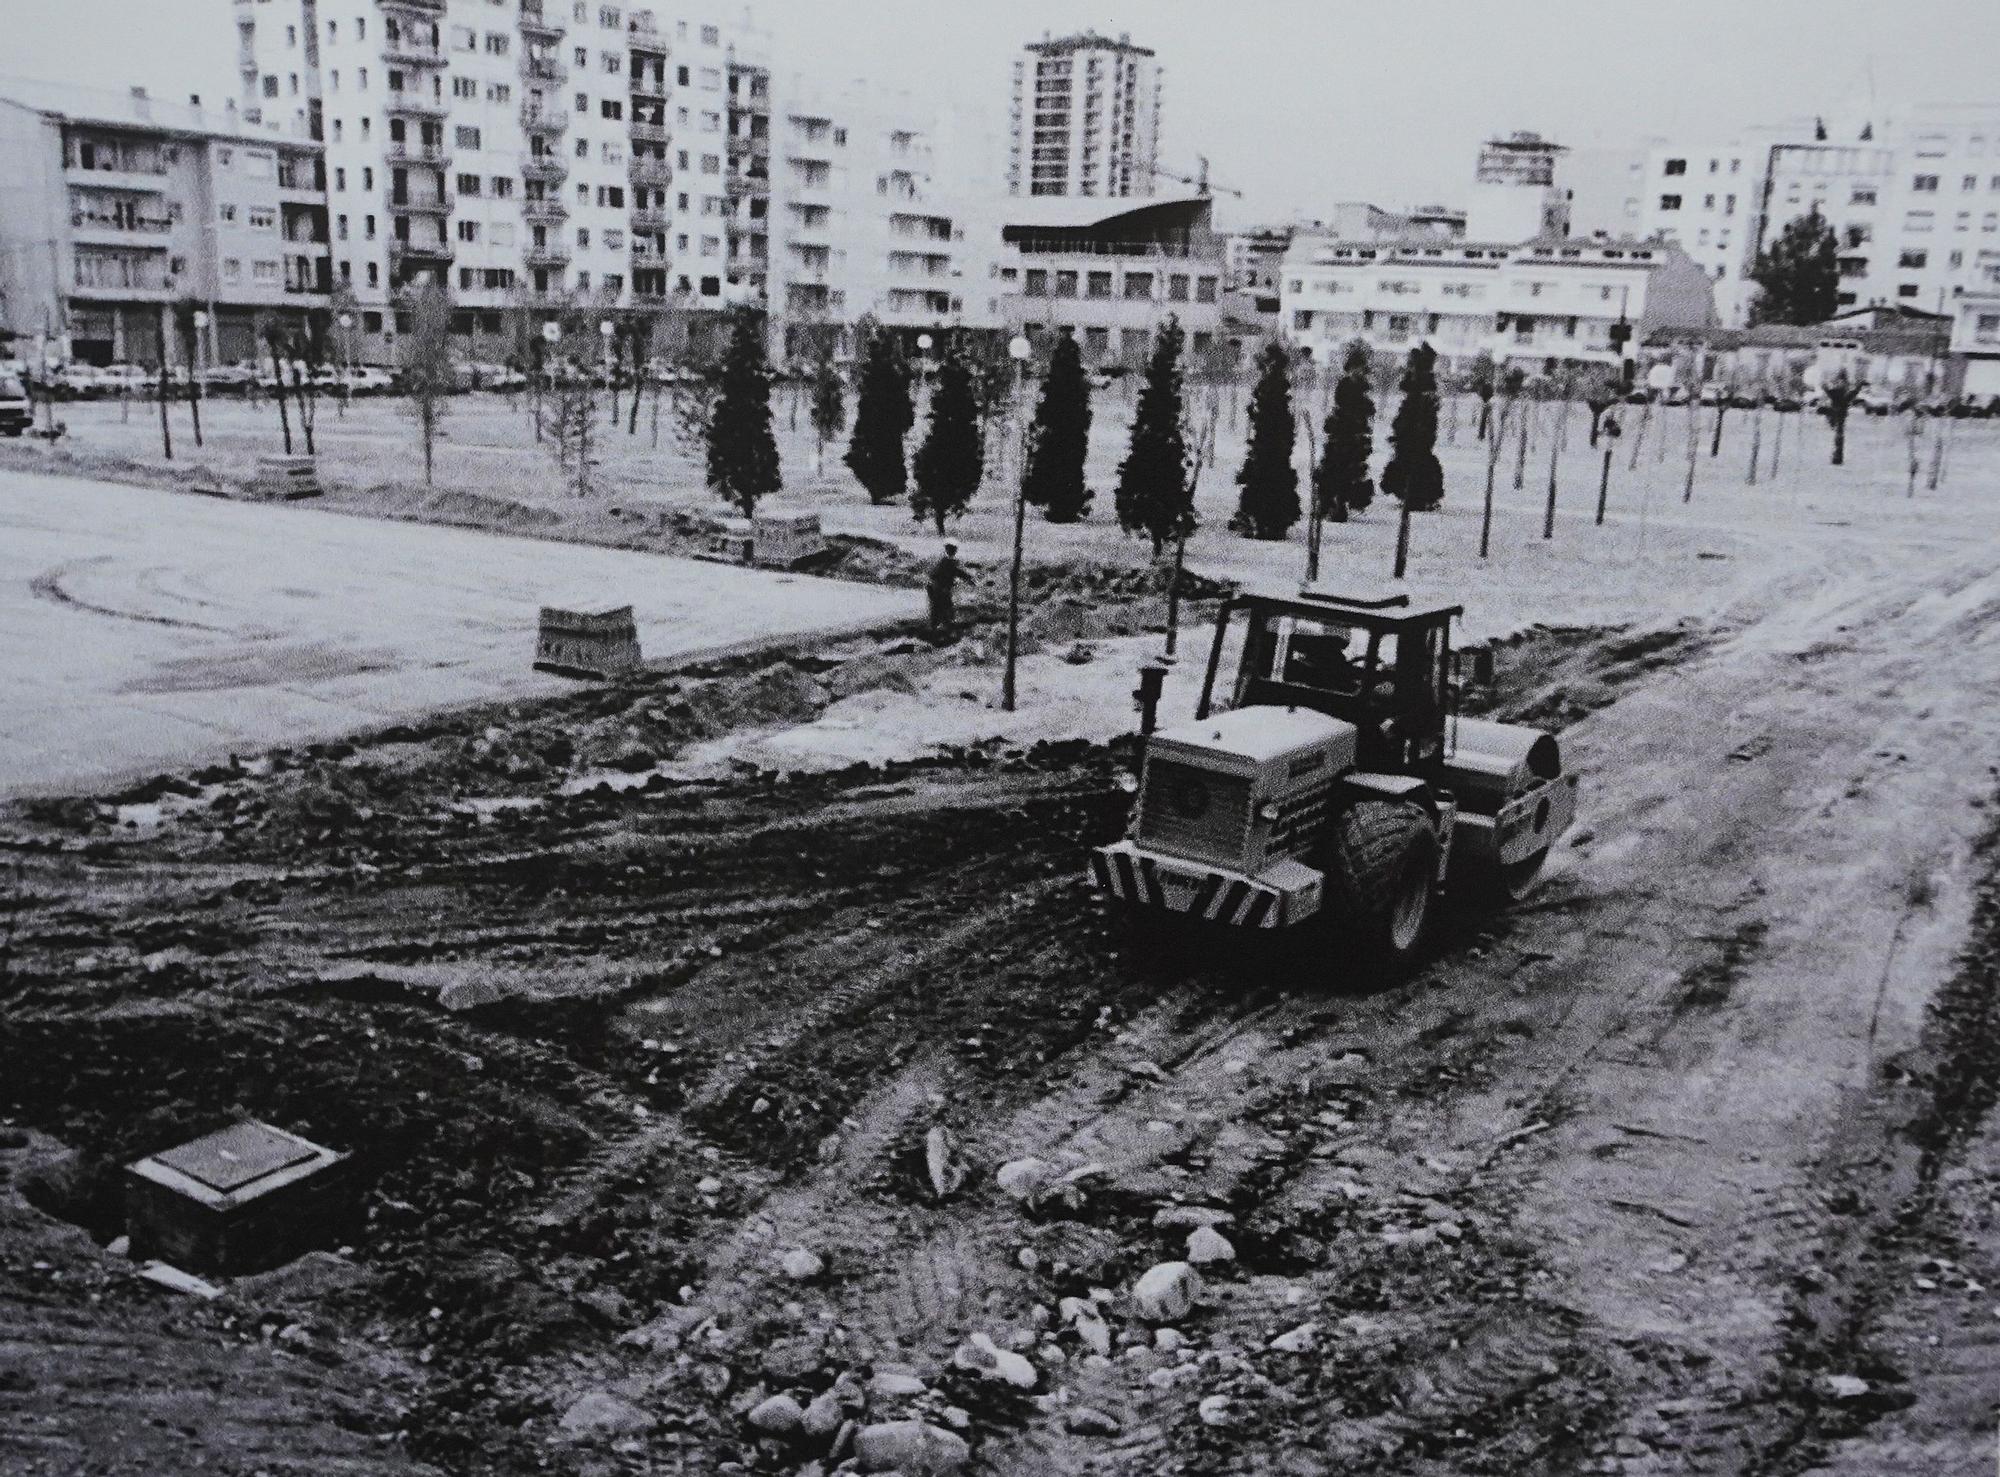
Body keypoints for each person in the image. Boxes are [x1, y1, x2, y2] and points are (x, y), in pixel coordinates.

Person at [927, 542, 972, 637]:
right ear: (952, 551)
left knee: (938, 609)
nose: (954, 552)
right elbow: (956, 572)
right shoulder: (948, 562)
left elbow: (934, 575)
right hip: (940, 589)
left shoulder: (944, 561)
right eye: (954, 550)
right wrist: (968, 578)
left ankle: (937, 630)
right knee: (944, 608)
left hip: (936, 589)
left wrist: (967, 578)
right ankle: (943, 631)